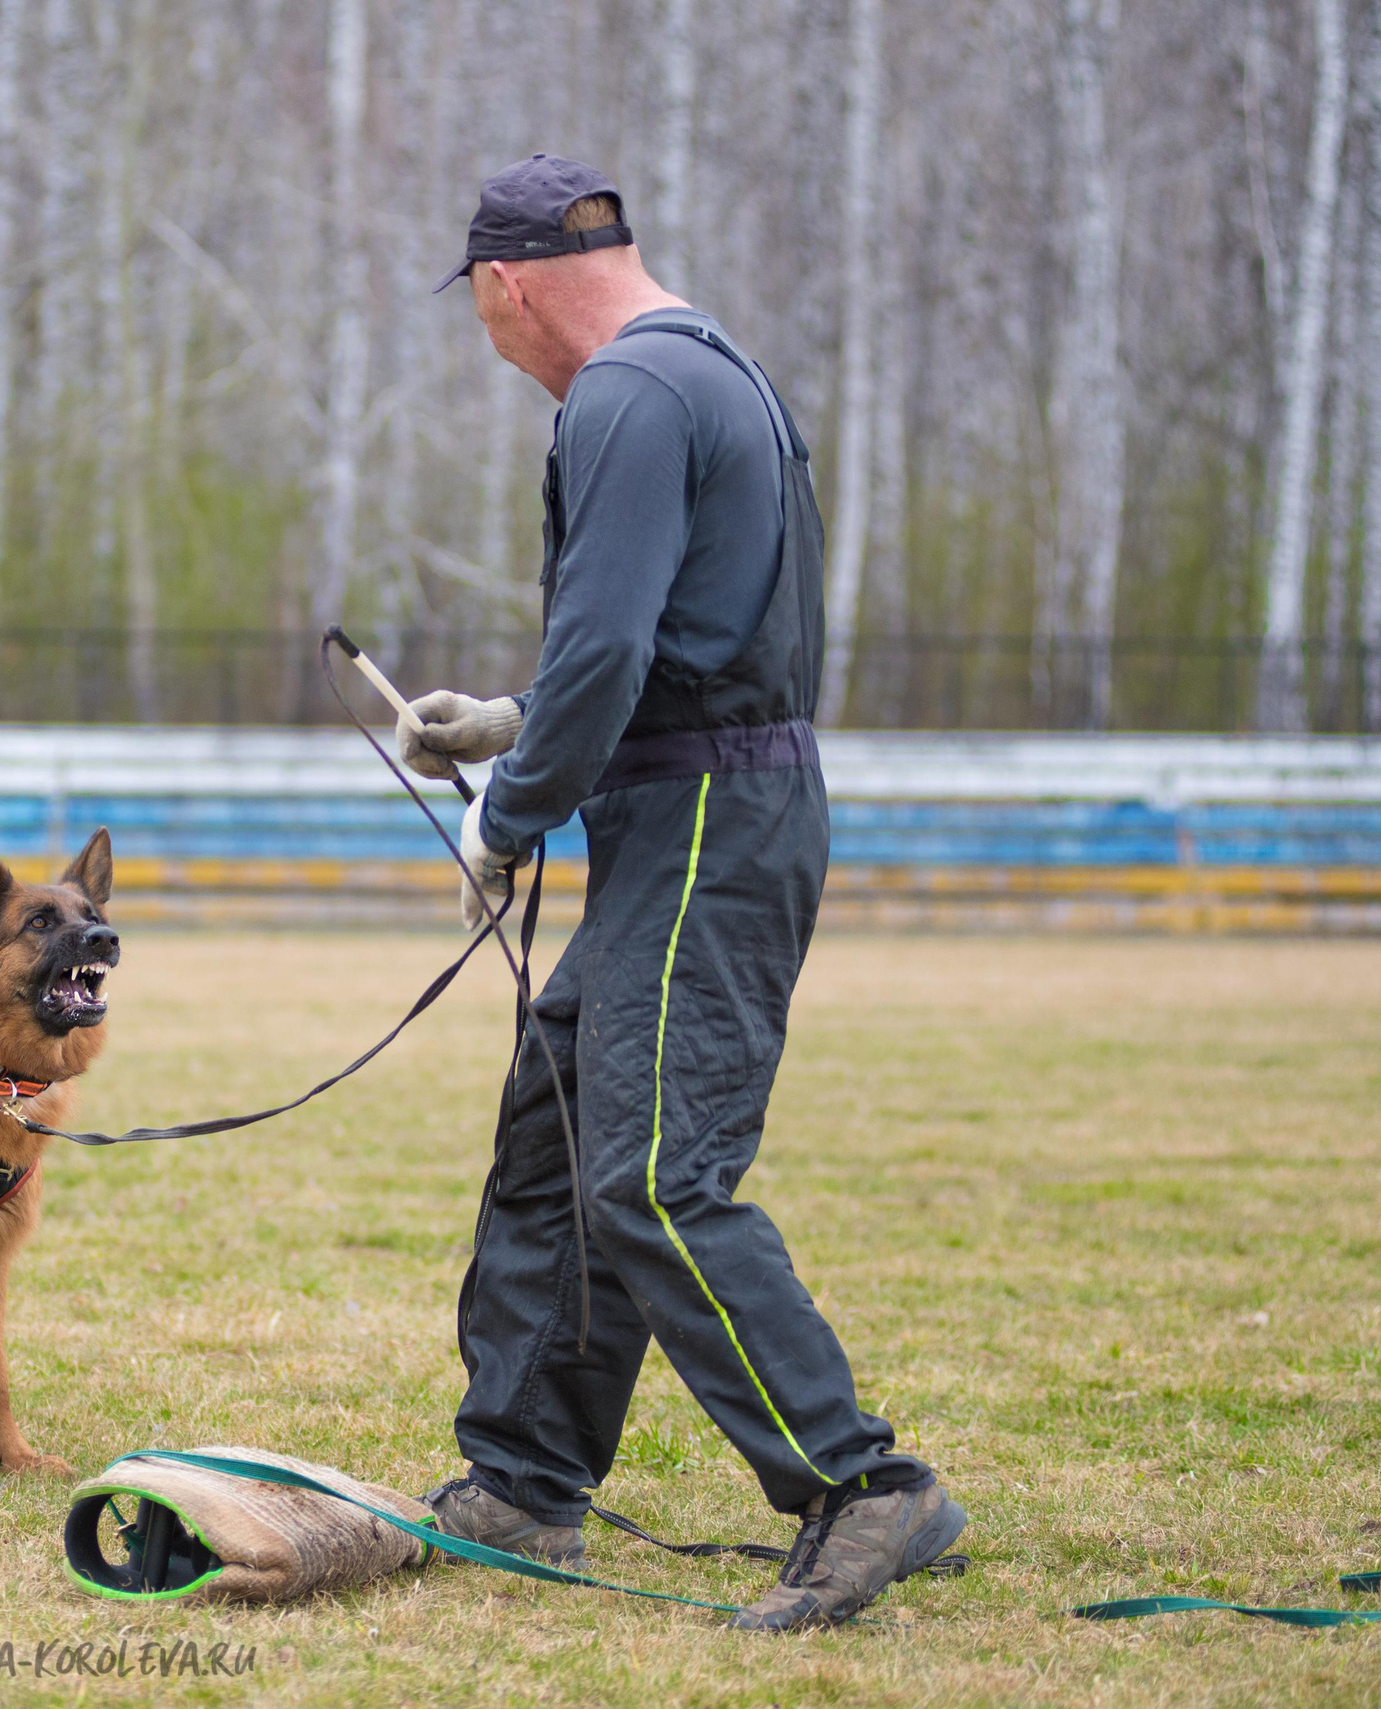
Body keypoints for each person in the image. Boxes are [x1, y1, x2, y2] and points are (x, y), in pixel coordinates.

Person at [399, 157, 966, 1631]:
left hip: (709, 824)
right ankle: (522, 1478)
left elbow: (610, 655)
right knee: (557, 1138)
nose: (494, 342)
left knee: (650, 1172)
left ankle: (864, 1486)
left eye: (482, 312)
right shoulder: (710, 370)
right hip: (704, 805)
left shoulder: (623, 398)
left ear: (506, 285)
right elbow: (686, 644)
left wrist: (505, 818)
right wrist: (513, 724)